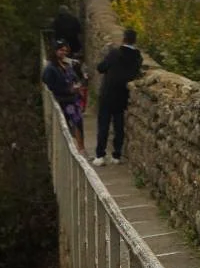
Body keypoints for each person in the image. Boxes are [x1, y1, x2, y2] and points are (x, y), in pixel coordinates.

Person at [92, 28, 143, 166]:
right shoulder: (137, 56)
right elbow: (137, 71)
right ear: (135, 41)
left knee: (104, 124)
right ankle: (117, 155)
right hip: (122, 95)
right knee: (119, 125)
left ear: (124, 39)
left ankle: (100, 155)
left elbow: (101, 68)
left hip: (108, 93)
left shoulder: (114, 53)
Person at [42, 39, 86, 154]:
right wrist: (68, 90)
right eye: (61, 50)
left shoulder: (67, 64)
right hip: (64, 100)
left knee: (78, 122)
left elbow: (75, 77)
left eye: (65, 51)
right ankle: (74, 149)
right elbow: (49, 83)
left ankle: (81, 148)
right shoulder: (51, 68)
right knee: (69, 124)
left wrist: (78, 86)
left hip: (73, 99)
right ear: (55, 51)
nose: (64, 53)